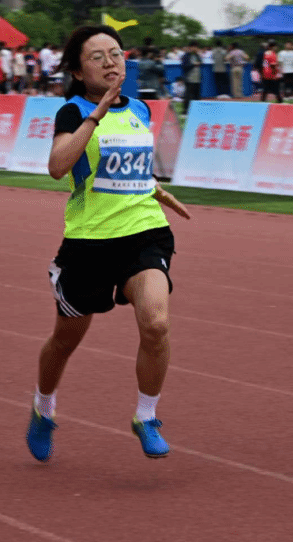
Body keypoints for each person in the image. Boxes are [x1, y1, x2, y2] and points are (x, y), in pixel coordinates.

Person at [26, 24, 191, 463]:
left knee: (156, 324)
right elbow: (58, 167)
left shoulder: (140, 109)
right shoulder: (72, 112)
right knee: (64, 341)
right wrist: (95, 114)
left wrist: (156, 189)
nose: (109, 62)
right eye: (97, 57)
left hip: (145, 231)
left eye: (115, 53)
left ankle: (146, 416)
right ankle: (43, 408)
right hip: (90, 242)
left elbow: (128, 166)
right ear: (78, 72)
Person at [180, 41, 203, 113]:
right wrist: (194, 64)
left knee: (197, 95)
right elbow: (184, 67)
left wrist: (199, 57)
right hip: (189, 78)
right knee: (188, 96)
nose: (196, 48)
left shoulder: (196, 55)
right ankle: (186, 110)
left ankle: (196, 110)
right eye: (195, 47)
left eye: (197, 47)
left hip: (197, 78)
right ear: (191, 47)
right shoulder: (186, 56)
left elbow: (201, 62)